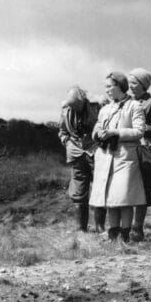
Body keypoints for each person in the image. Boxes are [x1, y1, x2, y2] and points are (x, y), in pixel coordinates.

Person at [90, 72, 146, 242]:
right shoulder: (105, 108)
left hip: (125, 157)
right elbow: (96, 129)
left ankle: (125, 234)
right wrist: (98, 134)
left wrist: (115, 132)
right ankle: (113, 233)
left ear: (120, 86)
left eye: (109, 86)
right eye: (105, 87)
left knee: (124, 197)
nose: (106, 90)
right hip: (106, 156)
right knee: (111, 197)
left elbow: (139, 131)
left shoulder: (134, 106)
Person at [127, 68, 151, 241]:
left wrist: (138, 128)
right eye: (129, 83)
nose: (131, 86)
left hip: (145, 151)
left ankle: (137, 227)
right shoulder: (128, 102)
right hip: (130, 150)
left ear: (143, 85)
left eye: (134, 83)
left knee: (143, 190)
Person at [58, 86, 101, 232]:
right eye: (71, 106)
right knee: (78, 191)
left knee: (99, 188)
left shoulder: (97, 106)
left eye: (76, 105)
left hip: (95, 151)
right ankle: (80, 228)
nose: (73, 109)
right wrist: (66, 141)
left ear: (83, 100)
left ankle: (100, 227)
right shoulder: (65, 110)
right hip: (76, 154)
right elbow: (62, 131)